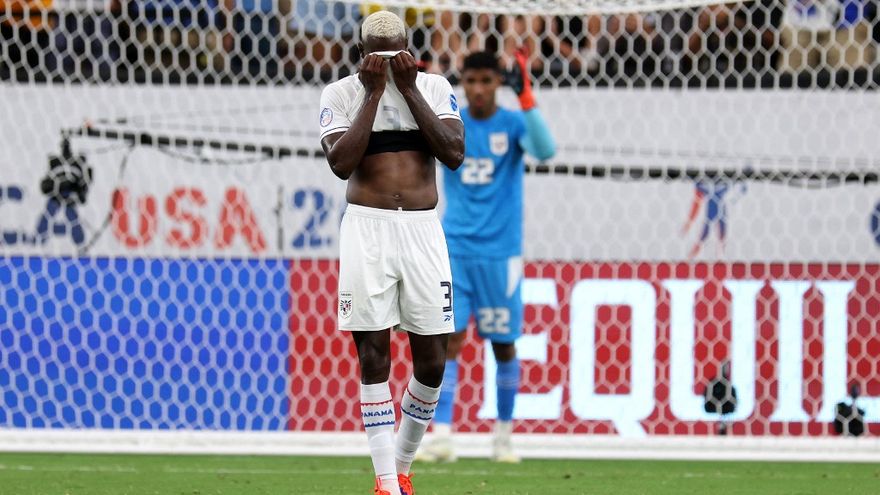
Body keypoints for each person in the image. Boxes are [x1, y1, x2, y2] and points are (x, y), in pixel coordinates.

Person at [318, 10, 464, 495]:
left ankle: (400, 466)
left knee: (433, 363)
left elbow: (453, 153)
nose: (385, 62)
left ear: (410, 52)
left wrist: (410, 89)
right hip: (367, 228)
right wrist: (374, 93)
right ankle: (387, 483)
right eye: (376, 55)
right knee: (373, 356)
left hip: (423, 230)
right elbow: (341, 164)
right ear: (361, 54)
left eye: (395, 54)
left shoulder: (435, 87)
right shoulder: (341, 94)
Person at [417, 49, 555, 464]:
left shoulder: (512, 123)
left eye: (486, 81)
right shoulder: (451, 123)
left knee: (504, 345)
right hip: (455, 249)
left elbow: (545, 151)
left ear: (498, 83)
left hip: (500, 253)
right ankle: (442, 436)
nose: (478, 89)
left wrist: (527, 99)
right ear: (462, 83)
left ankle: (503, 438)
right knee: (448, 341)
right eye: (471, 81)